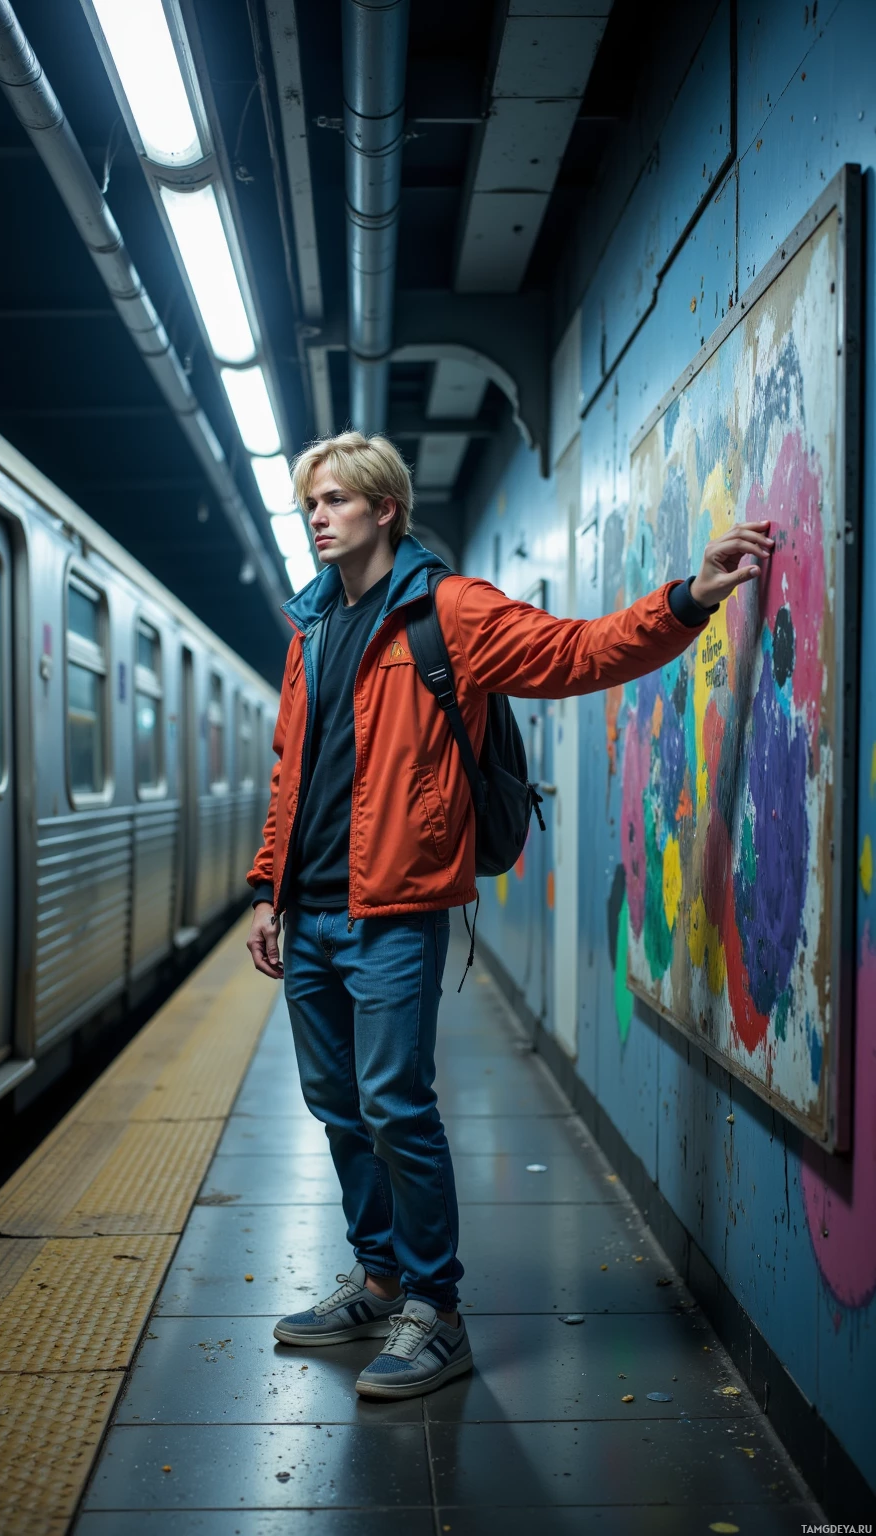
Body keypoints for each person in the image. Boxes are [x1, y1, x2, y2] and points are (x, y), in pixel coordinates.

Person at [246, 430, 772, 1401]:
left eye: (332, 499)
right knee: (337, 1111)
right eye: (308, 501)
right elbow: (292, 777)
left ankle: (436, 1314)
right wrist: (268, 892)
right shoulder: (310, 630)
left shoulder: (448, 610)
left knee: (395, 1107)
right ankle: (376, 1278)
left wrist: (687, 599)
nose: (315, 515)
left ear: (383, 509)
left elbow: (577, 651)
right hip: (311, 916)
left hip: (394, 911)